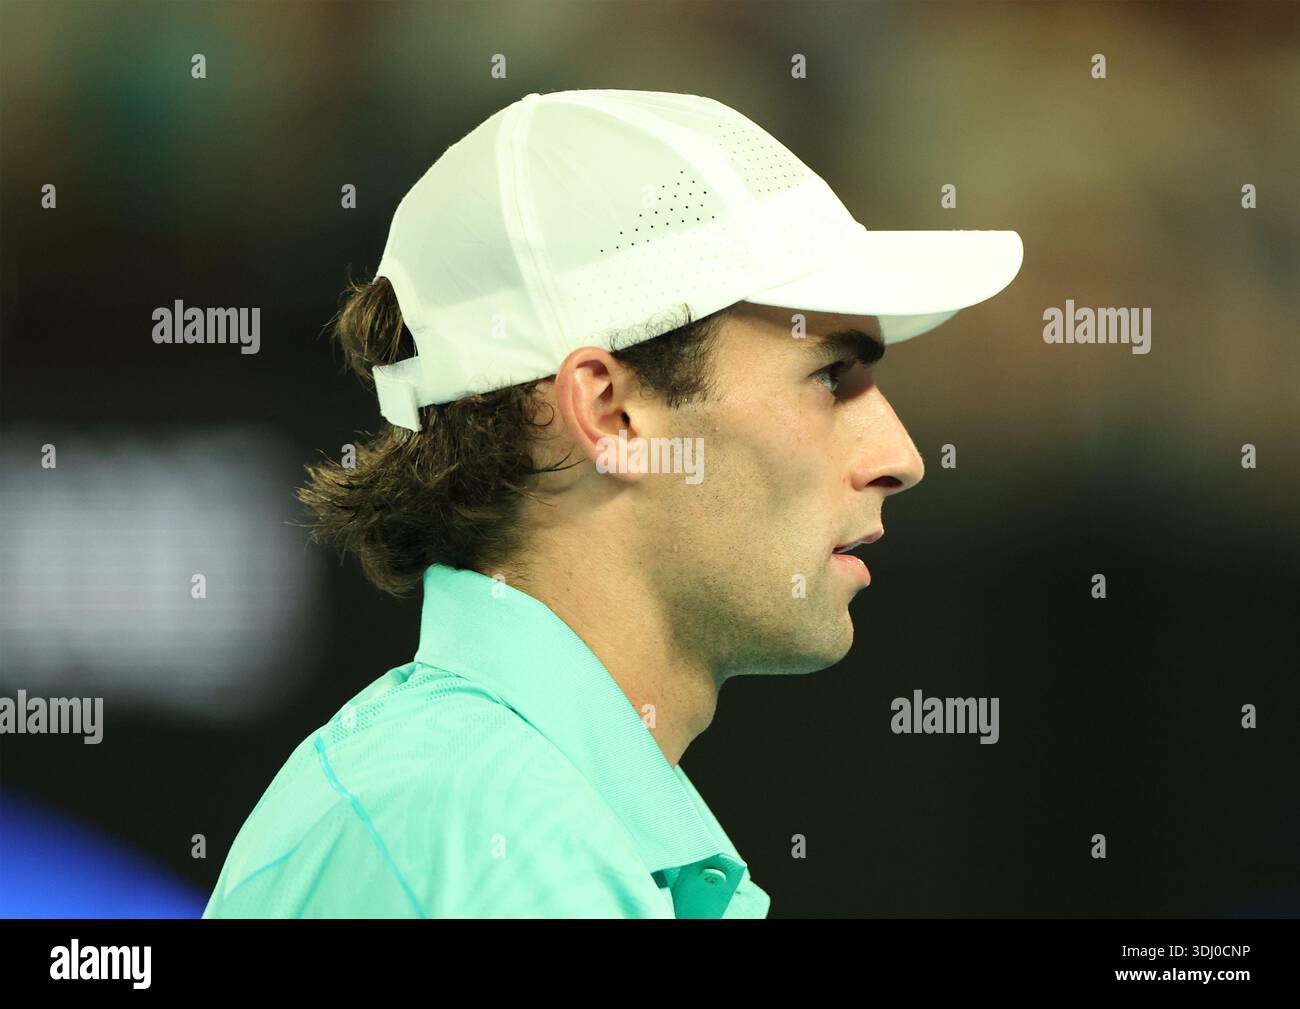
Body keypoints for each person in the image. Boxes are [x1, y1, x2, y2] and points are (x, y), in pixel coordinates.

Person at [203, 89, 1023, 918]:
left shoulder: (505, 810)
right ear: (609, 413)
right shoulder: (495, 830)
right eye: (830, 376)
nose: (902, 458)